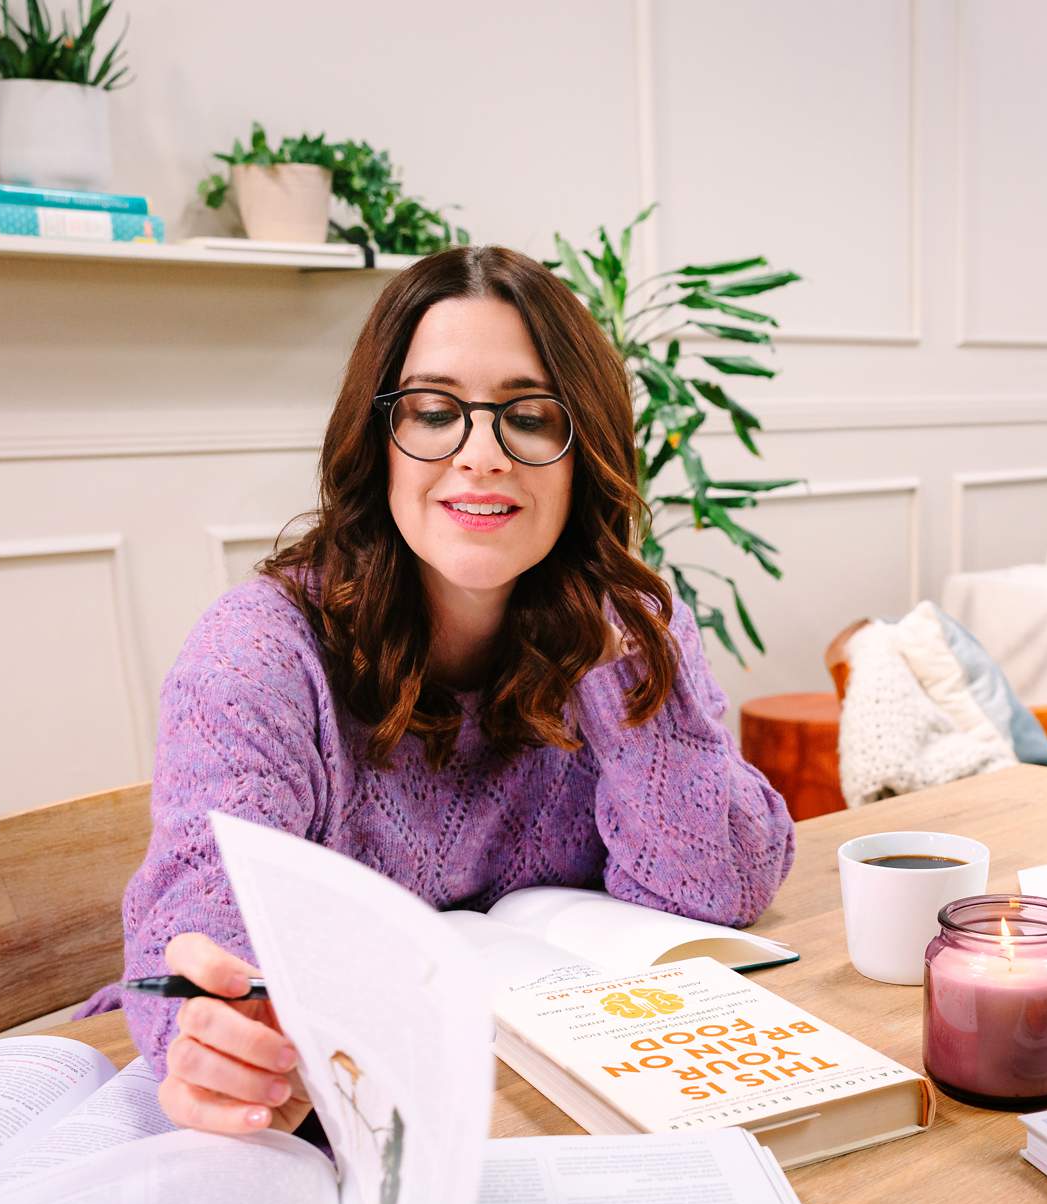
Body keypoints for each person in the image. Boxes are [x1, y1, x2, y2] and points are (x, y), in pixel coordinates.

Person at [83, 245, 796, 1135]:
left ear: (585, 453)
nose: (482, 456)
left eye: (530, 418)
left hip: (556, 1098)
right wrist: (217, 1033)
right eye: (433, 411)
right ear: (377, 439)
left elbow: (715, 888)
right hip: (323, 1120)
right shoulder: (259, 650)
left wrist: (628, 654)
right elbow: (205, 909)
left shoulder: (630, 630)